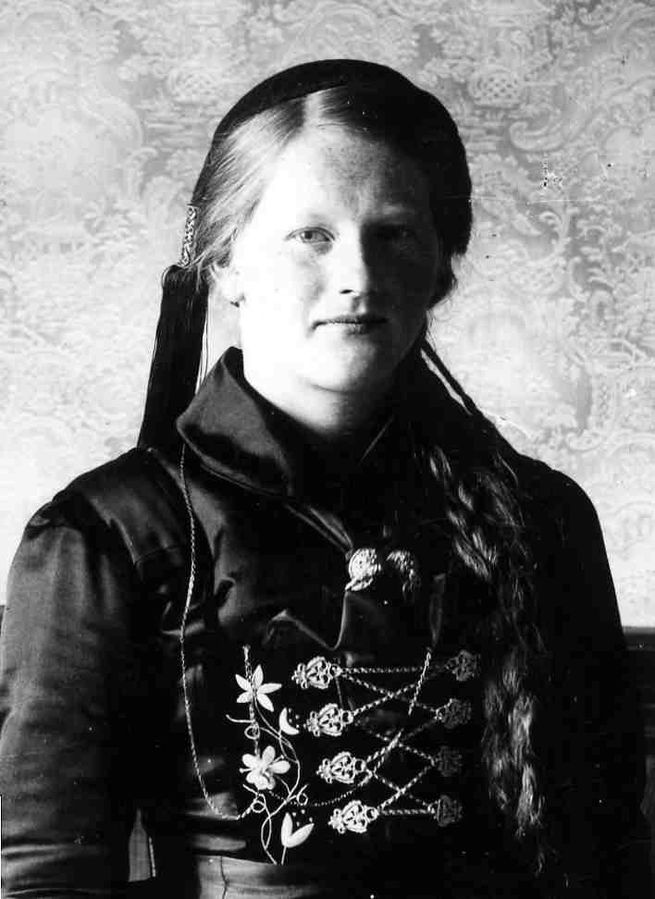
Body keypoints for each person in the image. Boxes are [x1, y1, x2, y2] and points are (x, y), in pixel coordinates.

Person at [0, 59, 650, 898]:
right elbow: (47, 872)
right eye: (311, 235)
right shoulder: (107, 534)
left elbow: (604, 851)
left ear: (442, 267)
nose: (358, 276)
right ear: (224, 265)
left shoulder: (541, 515)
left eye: (394, 233)